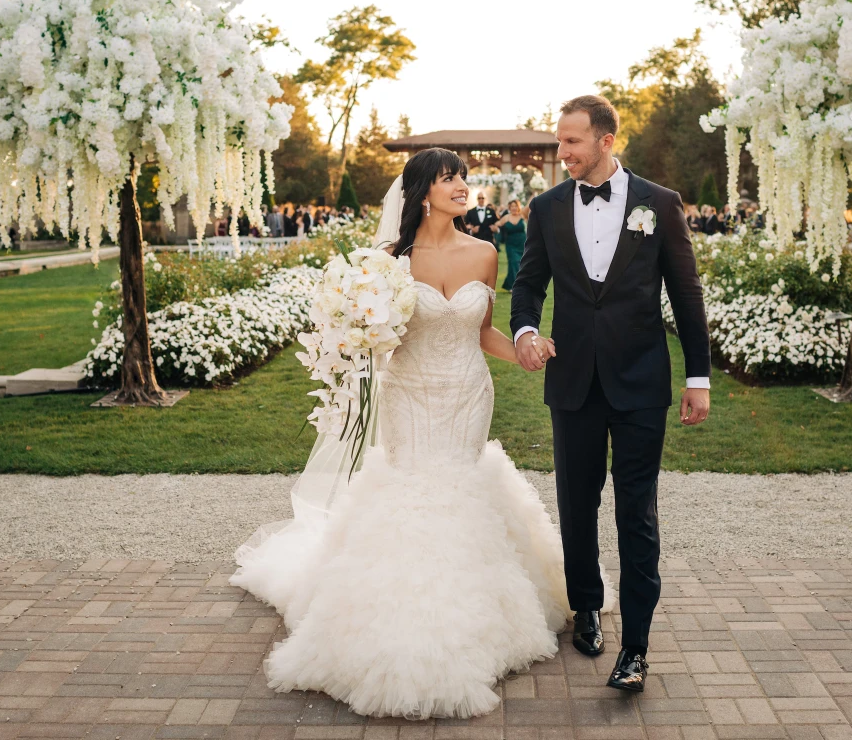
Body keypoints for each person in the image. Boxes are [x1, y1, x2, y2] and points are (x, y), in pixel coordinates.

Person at [231, 148, 586, 720]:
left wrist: (524, 348)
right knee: (412, 488)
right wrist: (355, 333)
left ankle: (475, 613)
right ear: (422, 191)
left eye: (464, 178)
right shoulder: (386, 262)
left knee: (460, 487)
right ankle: (398, 615)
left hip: (468, 393)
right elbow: (372, 335)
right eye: (450, 179)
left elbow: (482, 332)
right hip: (409, 393)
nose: (463, 187)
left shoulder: (486, 253)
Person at [510, 94, 710, 693]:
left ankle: (637, 649)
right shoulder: (546, 208)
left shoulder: (660, 204)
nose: (561, 152)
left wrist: (697, 378)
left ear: (605, 141)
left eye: (571, 142)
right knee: (576, 505)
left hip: (641, 384)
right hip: (572, 383)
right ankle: (587, 607)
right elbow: (528, 283)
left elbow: (687, 294)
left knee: (637, 513)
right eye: (559, 141)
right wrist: (524, 331)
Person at [492, 198, 527, 290]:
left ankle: (510, 283)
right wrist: (495, 228)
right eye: (512, 206)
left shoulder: (522, 216)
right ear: (509, 208)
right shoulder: (506, 217)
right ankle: (515, 286)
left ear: (518, 207)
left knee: (521, 264)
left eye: (515, 206)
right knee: (513, 262)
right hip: (511, 245)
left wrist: (534, 192)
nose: (514, 208)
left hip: (522, 243)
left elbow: (528, 206)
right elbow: (497, 223)